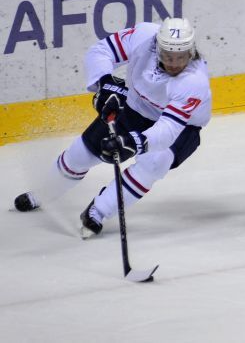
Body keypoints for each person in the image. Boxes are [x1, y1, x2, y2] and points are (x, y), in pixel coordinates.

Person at [14, 18, 212, 237]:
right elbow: (100, 51)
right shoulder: (144, 36)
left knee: (155, 162)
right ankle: (44, 192)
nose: (174, 63)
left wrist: (134, 143)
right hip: (136, 105)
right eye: (168, 56)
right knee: (83, 154)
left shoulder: (194, 81)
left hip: (183, 126)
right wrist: (105, 84)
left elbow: (167, 131)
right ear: (157, 46)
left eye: (181, 57)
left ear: (191, 51)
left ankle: (99, 211)